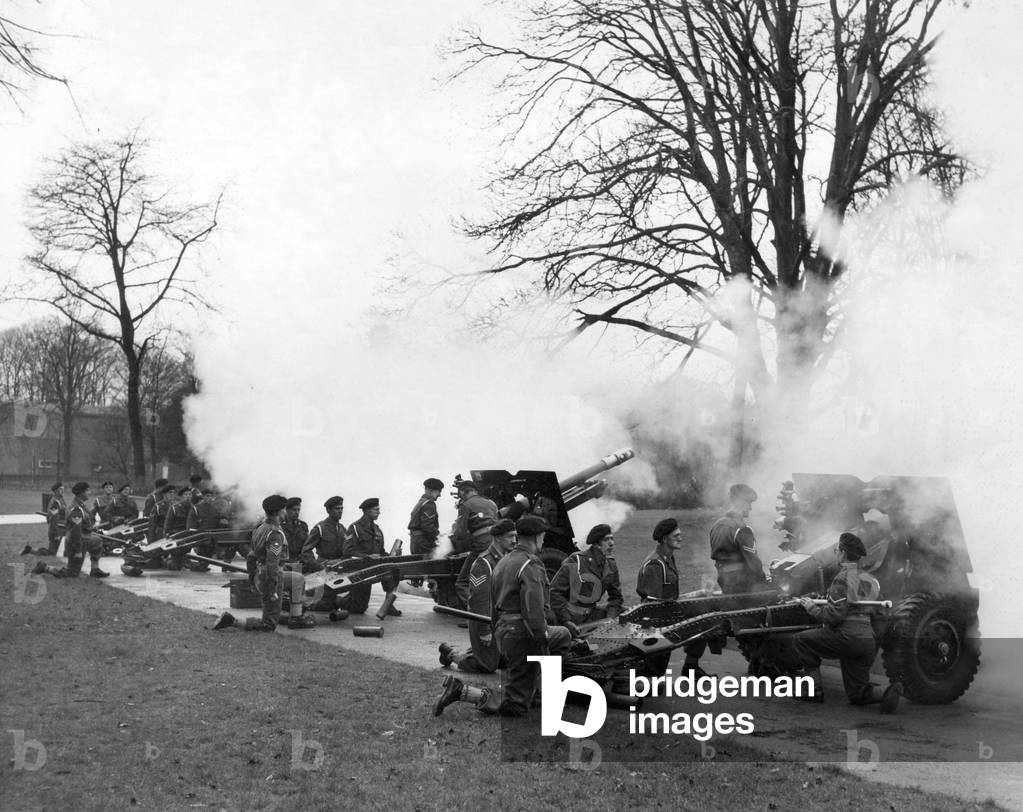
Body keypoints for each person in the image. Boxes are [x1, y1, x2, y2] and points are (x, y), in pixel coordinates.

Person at [445, 515, 572, 718]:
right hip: (523, 634)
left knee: (559, 638)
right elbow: (533, 610)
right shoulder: (530, 564)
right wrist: (542, 641)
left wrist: (497, 633)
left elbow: (494, 605)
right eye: (543, 536)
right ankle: (462, 692)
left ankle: (540, 692)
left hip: (506, 632)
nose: (543, 541)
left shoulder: (504, 562)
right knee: (516, 705)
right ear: (536, 537)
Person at [792, 532, 901, 712]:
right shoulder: (872, 580)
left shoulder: (842, 578)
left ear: (842, 553)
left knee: (801, 640)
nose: (836, 553)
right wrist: (872, 640)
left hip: (846, 637)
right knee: (857, 694)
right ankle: (886, 693)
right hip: (866, 641)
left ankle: (813, 691)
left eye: (837, 550)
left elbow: (834, 617)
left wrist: (812, 608)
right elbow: (881, 616)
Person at [213, 494, 315, 631]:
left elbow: (250, 556)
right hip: (271, 577)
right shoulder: (275, 534)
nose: (286, 512)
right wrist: (273, 588)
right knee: (269, 624)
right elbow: (272, 563)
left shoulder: (260, 528)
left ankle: (295, 617)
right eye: (284, 509)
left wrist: (252, 578)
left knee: (298, 579)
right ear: (278, 512)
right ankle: (232, 621)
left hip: (260, 574)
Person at [438, 518, 518, 674]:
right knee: (487, 666)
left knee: (506, 662)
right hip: (484, 620)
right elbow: (478, 600)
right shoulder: (484, 563)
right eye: (510, 536)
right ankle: (450, 653)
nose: (514, 540)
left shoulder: (506, 559)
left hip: (501, 622)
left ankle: (479, 652)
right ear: (497, 537)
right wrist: (484, 631)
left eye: (515, 536)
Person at [637, 517, 707, 677]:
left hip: (668, 613)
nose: (681, 538)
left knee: (705, 615)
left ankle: (691, 666)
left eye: (680, 534)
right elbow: (653, 606)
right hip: (658, 621)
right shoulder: (655, 564)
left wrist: (697, 594)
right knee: (654, 680)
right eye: (676, 536)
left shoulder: (667, 558)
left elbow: (669, 597)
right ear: (664, 539)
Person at [550, 523, 624, 627]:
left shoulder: (610, 564)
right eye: (606, 540)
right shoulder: (577, 560)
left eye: (612, 538)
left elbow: (616, 597)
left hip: (592, 614)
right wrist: (566, 620)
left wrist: (610, 619)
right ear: (596, 544)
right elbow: (555, 592)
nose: (612, 543)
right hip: (571, 616)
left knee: (627, 613)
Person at [32, 482, 108, 578]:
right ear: (82, 493)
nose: (90, 492)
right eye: (88, 490)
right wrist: (78, 551)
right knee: (72, 573)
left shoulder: (81, 505)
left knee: (97, 541)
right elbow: (76, 532)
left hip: (86, 539)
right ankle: (45, 567)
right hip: (76, 542)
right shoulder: (76, 509)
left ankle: (95, 569)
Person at [709, 483, 769, 593]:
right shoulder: (742, 529)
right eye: (749, 503)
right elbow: (753, 562)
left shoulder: (717, 525)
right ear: (740, 502)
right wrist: (764, 582)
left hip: (724, 581)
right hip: (742, 586)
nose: (750, 508)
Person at [344, 498, 400, 616]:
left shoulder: (377, 530)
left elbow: (381, 552)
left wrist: (392, 555)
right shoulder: (354, 528)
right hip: (361, 569)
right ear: (367, 511)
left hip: (374, 567)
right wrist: (367, 556)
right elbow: (347, 550)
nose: (379, 512)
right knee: (359, 608)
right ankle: (335, 602)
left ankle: (388, 604)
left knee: (393, 568)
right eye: (376, 510)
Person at [300, 496, 349, 570]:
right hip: (324, 567)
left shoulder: (342, 528)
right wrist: (318, 566)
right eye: (337, 508)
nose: (340, 511)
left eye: (342, 508)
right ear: (328, 510)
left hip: (340, 565)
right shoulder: (320, 528)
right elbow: (306, 552)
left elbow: (347, 548)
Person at [408, 478, 443, 555]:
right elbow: (427, 526)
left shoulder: (421, 502)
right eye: (439, 491)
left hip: (416, 542)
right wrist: (440, 536)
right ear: (431, 490)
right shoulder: (429, 504)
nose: (440, 495)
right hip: (423, 542)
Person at [164, 486, 193, 569]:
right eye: (185, 494)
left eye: (190, 494)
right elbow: (167, 525)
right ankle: (170, 560)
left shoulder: (194, 508)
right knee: (174, 566)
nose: (188, 496)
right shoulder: (174, 508)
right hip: (176, 536)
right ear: (181, 497)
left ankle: (183, 560)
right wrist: (168, 536)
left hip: (189, 536)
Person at [281, 497, 309, 564]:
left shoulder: (303, 526)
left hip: (301, 563)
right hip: (285, 565)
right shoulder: (280, 526)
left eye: (298, 510)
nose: (297, 512)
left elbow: (307, 547)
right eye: (294, 510)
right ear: (287, 510)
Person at [44, 482, 66, 555]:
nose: (63, 491)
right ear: (56, 491)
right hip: (57, 529)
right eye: (60, 489)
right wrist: (56, 534)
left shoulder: (61, 500)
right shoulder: (55, 502)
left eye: (63, 489)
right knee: (51, 553)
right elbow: (53, 519)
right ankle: (30, 550)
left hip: (63, 528)